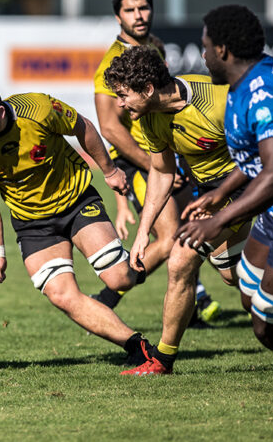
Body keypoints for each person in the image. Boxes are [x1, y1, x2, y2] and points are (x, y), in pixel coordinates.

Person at [175, 5, 273, 417]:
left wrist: (218, 221)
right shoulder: (244, 83)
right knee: (250, 293)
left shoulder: (267, 95)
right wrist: (216, 194)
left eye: (205, 47)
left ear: (223, 49)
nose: (201, 54)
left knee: (268, 324)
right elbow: (253, 163)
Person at [0, 77, 152, 365]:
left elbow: (82, 126)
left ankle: (134, 270)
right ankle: (136, 346)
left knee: (119, 277)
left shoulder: (39, 109)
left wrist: (109, 171)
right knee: (61, 294)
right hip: (33, 224)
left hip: (76, 201)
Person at [101, 45, 251, 376]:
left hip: (253, 187)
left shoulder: (219, 101)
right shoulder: (150, 117)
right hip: (213, 194)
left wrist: (228, 202)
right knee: (238, 280)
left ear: (149, 89)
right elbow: (162, 172)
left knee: (182, 256)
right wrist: (143, 232)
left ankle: (162, 359)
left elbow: (263, 157)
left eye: (124, 95)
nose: (120, 104)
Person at [92, 0, 218, 321]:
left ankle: (192, 305)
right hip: (142, 162)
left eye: (143, 7)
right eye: (130, 10)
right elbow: (109, 127)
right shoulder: (113, 63)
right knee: (167, 239)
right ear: (117, 16)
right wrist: (155, 165)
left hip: (166, 158)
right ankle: (106, 299)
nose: (139, 15)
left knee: (188, 230)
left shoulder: (153, 49)